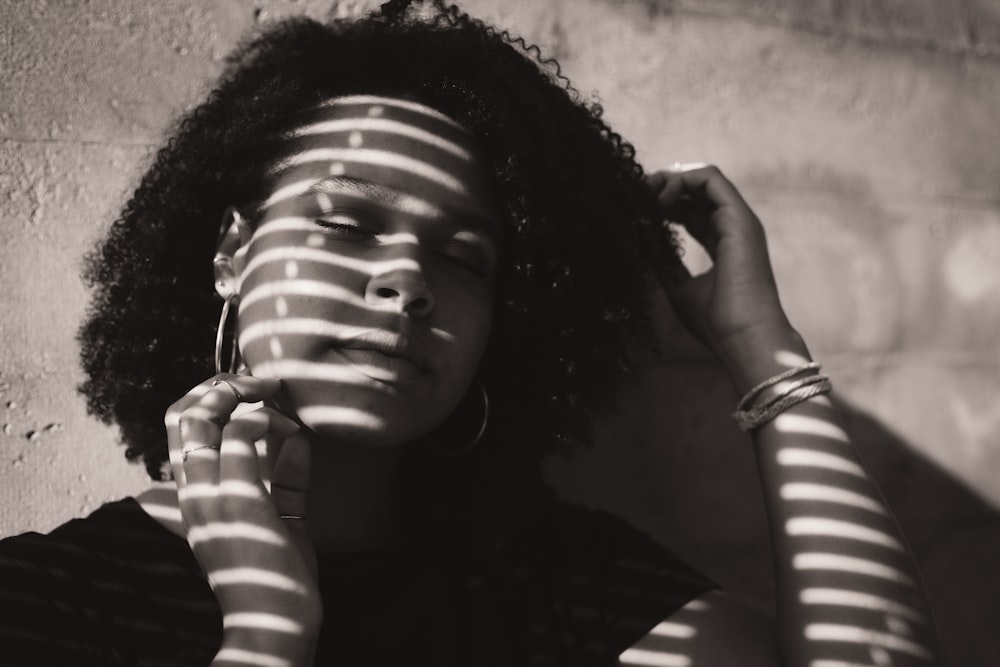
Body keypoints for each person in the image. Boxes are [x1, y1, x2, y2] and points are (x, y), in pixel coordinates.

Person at [0, 1, 943, 665]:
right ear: (231, 254)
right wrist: (265, 634)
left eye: (463, 257)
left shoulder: (556, 582)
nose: (408, 281)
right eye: (349, 224)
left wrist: (758, 339)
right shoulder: (54, 597)